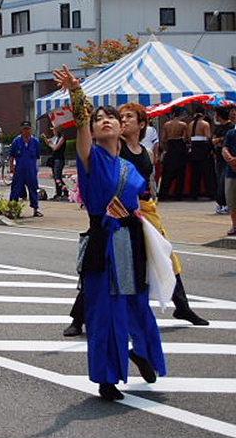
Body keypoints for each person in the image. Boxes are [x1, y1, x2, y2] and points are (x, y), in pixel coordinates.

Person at [54, 66, 166, 401]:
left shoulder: (130, 166)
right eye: (98, 118)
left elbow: (142, 201)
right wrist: (77, 92)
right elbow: (84, 117)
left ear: (121, 128)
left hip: (131, 240)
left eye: (111, 118)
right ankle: (107, 377)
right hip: (102, 242)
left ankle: (143, 354)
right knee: (104, 311)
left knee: (137, 305)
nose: (104, 121)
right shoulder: (91, 157)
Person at [63, 102, 208, 337]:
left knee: (161, 256)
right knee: (98, 273)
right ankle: (79, 318)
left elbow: (145, 183)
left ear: (141, 124)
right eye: (122, 116)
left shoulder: (142, 153)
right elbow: (89, 148)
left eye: (128, 117)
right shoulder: (111, 150)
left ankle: (180, 307)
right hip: (110, 219)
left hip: (141, 215)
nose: (124, 119)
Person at [9, 121, 43, 217]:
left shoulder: (35, 142)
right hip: (19, 170)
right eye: (24, 129)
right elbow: (12, 156)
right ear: (21, 130)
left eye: (28, 129)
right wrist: (11, 167)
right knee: (15, 189)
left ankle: (35, 209)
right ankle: (12, 209)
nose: (26, 131)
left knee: (33, 189)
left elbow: (37, 157)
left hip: (31, 170)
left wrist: (36, 169)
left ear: (31, 129)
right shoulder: (16, 141)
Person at [158, 108, 188, 200]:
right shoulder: (183, 124)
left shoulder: (166, 124)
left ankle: (164, 194)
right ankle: (178, 195)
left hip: (170, 146)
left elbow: (163, 139)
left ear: (173, 114)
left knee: (167, 173)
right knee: (180, 173)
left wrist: (165, 148)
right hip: (180, 146)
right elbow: (186, 138)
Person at [187, 107, 215, 201]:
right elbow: (208, 137)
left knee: (195, 173)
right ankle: (210, 192)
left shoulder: (190, 124)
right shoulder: (205, 124)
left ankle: (194, 193)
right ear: (203, 114)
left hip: (194, 147)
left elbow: (189, 138)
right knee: (207, 172)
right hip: (203, 148)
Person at [212, 107, 234, 214]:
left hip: (229, 159)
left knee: (224, 181)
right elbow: (213, 140)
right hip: (219, 157)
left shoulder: (231, 127)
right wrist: (218, 140)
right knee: (220, 180)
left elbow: (223, 142)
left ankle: (226, 204)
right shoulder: (219, 127)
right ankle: (222, 203)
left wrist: (219, 140)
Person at [42, 125, 68, 200]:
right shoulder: (55, 137)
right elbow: (49, 143)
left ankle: (65, 191)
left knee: (58, 177)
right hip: (54, 159)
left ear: (57, 130)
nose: (53, 131)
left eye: (54, 129)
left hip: (59, 160)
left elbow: (55, 147)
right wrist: (45, 139)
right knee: (56, 177)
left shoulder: (62, 138)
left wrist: (50, 144)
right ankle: (58, 193)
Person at [222, 125, 236, 236]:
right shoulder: (230, 133)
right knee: (231, 200)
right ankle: (234, 225)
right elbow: (225, 148)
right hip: (231, 171)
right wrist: (230, 158)